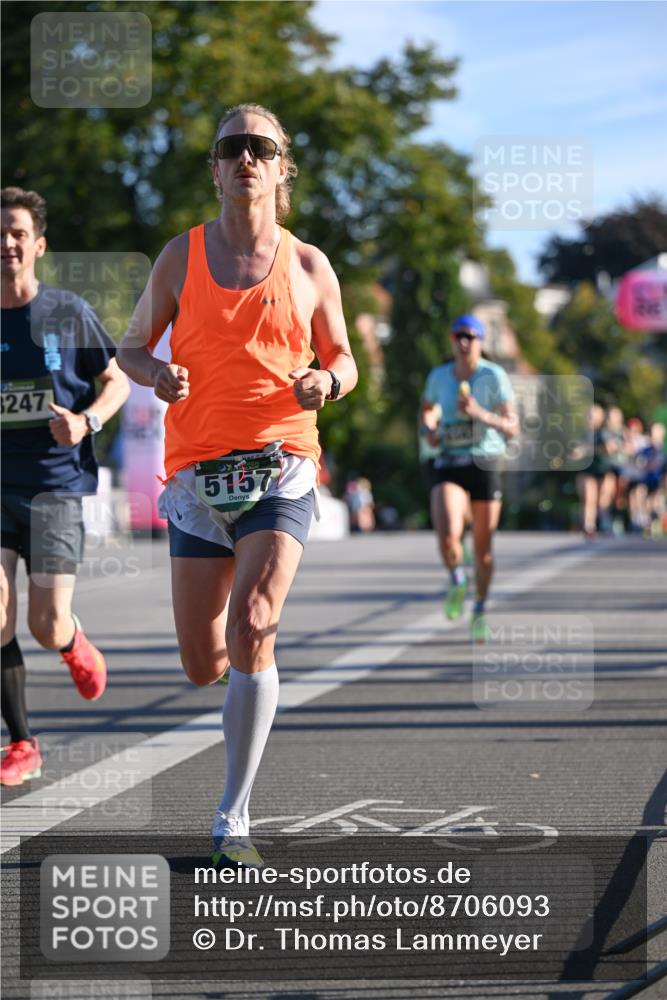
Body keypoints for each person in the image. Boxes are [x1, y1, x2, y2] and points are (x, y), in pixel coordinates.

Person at [117, 104, 357, 868]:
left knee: (253, 622)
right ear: (215, 168)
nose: (246, 158)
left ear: (282, 168)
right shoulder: (178, 258)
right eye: (232, 147)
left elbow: (346, 359)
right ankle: (239, 671)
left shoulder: (311, 266)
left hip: (280, 464)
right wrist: (156, 371)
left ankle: (233, 817)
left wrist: (326, 379)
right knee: (201, 661)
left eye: (262, 147)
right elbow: (129, 349)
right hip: (195, 478)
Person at [1, 186, 129, 785]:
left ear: (38, 245)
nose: (6, 243)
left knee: (45, 624)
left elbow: (119, 380)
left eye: (18, 233)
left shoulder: (66, 312)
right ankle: (22, 742)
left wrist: (86, 420)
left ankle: (73, 642)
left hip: (55, 488)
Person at [420, 315, 518, 643]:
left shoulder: (494, 376)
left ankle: (479, 606)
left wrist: (480, 414)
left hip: (485, 462)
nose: (463, 342)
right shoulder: (439, 375)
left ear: (481, 342)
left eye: (470, 336)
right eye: (458, 335)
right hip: (449, 460)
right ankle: (457, 578)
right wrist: (429, 429)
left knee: (483, 547)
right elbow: (427, 409)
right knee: (448, 533)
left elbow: (512, 426)